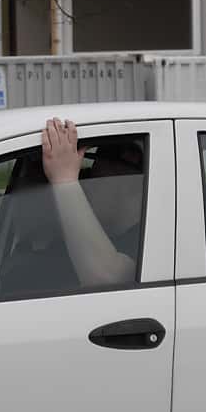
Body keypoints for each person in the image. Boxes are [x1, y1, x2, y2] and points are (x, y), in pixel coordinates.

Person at [40, 116, 142, 287]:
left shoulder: (154, 239)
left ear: (130, 163)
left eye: (95, 166)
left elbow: (107, 278)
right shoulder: (61, 247)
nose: (86, 181)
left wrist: (65, 180)